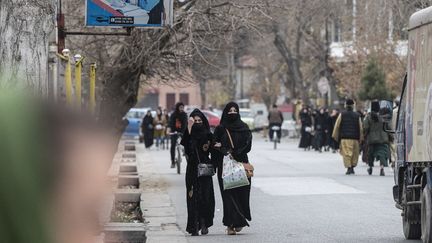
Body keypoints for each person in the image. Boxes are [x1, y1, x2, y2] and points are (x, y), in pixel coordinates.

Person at [213, 102, 253, 235]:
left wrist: (235, 152)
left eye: (234, 110)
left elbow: (248, 144)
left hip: (241, 165)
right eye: (229, 110)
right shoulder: (220, 128)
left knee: (242, 194)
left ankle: (239, 220)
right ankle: (230, 224)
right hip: (225, 166)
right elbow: (215, 144)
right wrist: (224, 150)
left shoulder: (244, 127)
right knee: (228, 196)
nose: (232, 112)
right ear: (225, 112)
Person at [181, 109, 215, 236]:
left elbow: (214, 151)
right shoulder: (188, 135)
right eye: (195, 121)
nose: (197, 123)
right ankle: (194, 226)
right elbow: (188, 149)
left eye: (200, 120)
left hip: (205, 170)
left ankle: (204, 223)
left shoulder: (208, 135)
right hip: (192, 170)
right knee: (192, 197)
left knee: (205, 198)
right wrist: (189, 128)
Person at [332, 99, 363, 175]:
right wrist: (361, 138)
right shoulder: (357, 115)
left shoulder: (342, 114)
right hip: (355, 138)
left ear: (345, 105)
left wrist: (335, 136)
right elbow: (360, 128)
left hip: (345, 138)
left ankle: (349, 168)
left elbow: (337, 126)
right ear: (353, 106)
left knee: (346, 153)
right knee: (355, 153)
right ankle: (352, 167)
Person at [364, 101, 392, 176]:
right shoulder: (383, 117)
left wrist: (364, 136)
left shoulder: (368, 117)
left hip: (372, 139)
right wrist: (391, 137)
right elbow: (388, 127)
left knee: (370, 154)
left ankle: (370, 167)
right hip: (383, 138)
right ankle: (382, 168)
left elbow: (365, 128)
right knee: (382, 154)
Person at [167, 102, 188, 168]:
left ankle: (188, 160)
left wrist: (183, 132)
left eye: (182, 107)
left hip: (182, 132)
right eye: (180, 107)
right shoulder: (173, 114)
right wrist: (168, 130)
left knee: (187, 144)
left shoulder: (184, 114)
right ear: (177, 107)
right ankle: (173, 161)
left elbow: (185, 124)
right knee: (173, 146)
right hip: (174, 132)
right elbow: (170, 123)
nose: (181, 109)